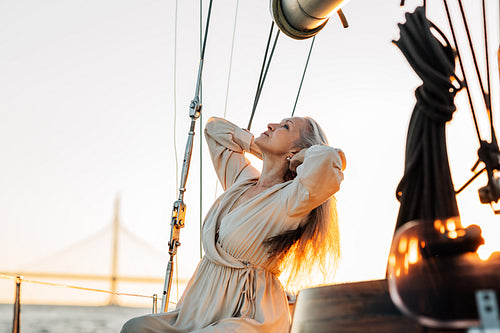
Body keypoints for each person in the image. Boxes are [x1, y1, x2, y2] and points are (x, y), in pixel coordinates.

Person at [121, 116, 346, 332]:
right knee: (135, 328)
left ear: (295, 151)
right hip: (200, 306)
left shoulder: (292, 198)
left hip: (248, 313)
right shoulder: (242, 180)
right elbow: (214, 129)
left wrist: (296, 159)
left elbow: (329, 161)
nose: (271, 124)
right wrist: (260, 148)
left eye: (285, 126)